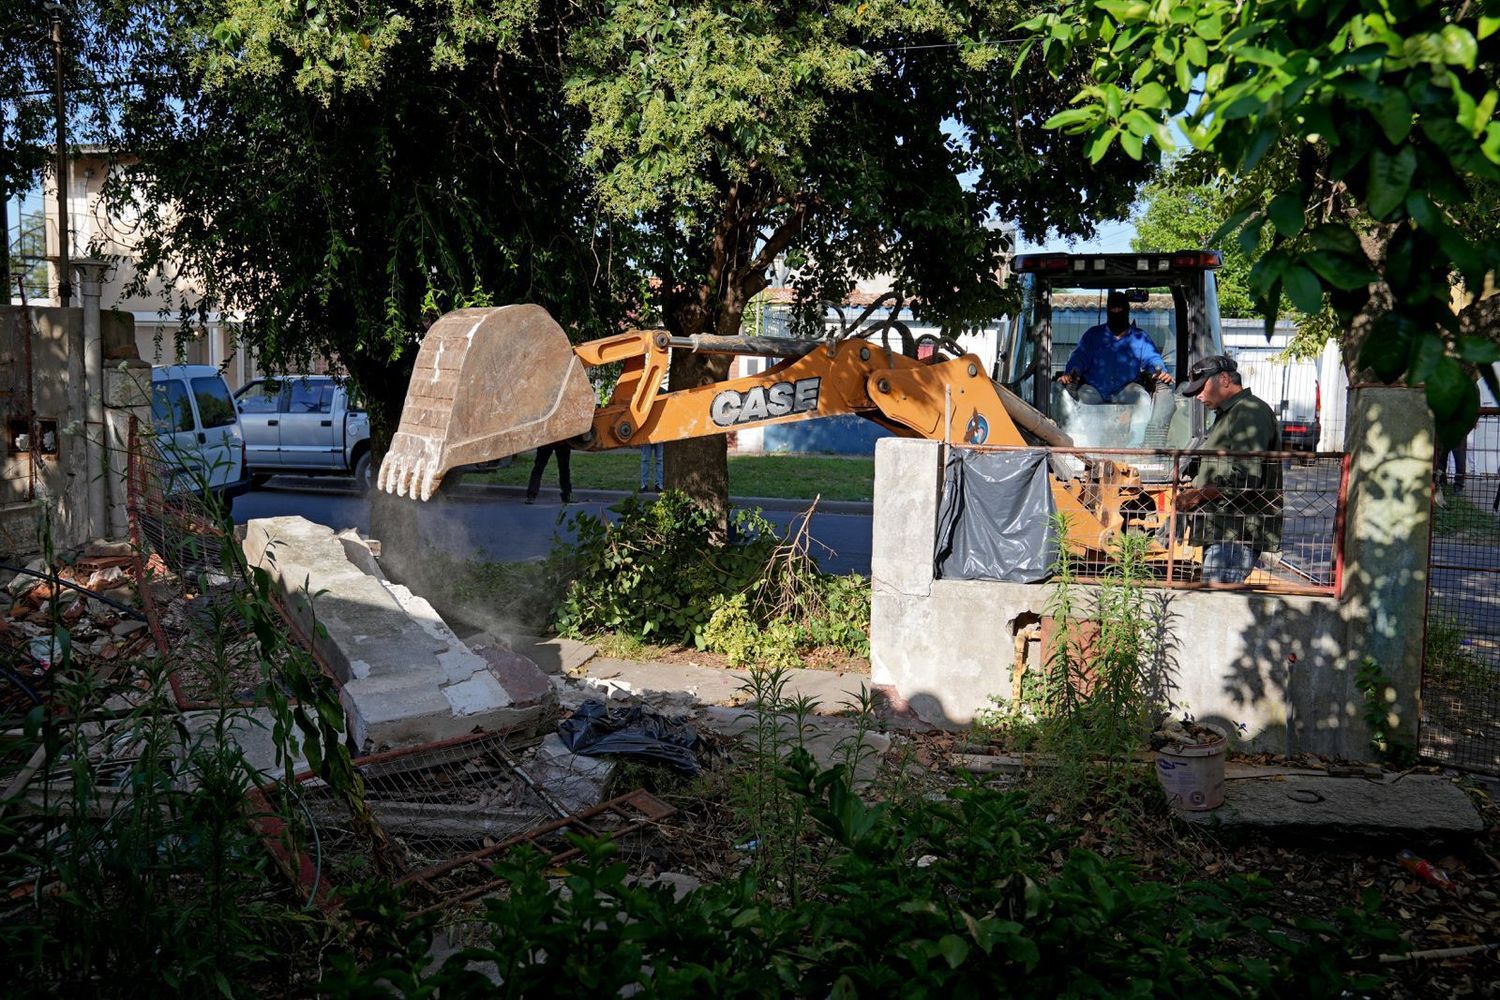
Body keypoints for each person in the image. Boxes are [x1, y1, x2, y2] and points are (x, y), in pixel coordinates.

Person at [1173, 355, 1282, 585]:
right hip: (1224, 530)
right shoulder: (1230, 414)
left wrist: (1198, 495)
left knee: (1218, 603)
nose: (1199, 396)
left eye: (1202, 387)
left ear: (1223, 379)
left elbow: (1246, 478)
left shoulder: (1249, 412)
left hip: (1236, 534)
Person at [1057, 291, 1174, 405]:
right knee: (1078, 401)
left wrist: (1161, 372)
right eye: (1113, 309)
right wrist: (1070, 373)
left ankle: (1148, 426)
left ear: (1127, 311)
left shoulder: (1140, 337)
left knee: (1142, 400)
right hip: (1094, 389)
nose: (1116, 312)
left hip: (1127, 388)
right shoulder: (1093, 335)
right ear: (1107, 311)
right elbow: (1079, 358)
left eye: (1120, 309)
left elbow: (1152, 359)